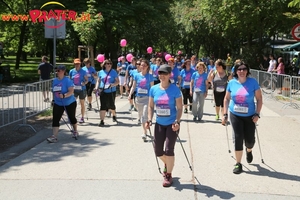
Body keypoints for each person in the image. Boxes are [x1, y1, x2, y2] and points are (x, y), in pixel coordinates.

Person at [222, 62, 263, 174]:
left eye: (244, 69)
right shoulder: (231, 83)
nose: (242, 71)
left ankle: (249, 150)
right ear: (236, 71)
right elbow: (226, 99)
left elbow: (259, 99)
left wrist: (257, 113)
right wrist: (225, 114)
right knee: (238, 137)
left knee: (250, 141)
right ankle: (238, 163)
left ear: (247, 71)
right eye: (239, 69)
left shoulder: (253, 82)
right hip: (235, 115)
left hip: (250, 115)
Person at [146, 64, 183, 187]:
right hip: (159, 124)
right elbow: (151, 106)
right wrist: (149, 119)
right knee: (157, 151)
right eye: (160, 73)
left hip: (172, 124)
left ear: (169, 75)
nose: (162, 75)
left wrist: (177, 121)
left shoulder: (175, 90)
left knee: (169, 150)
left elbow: (179, 108)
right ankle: (168, 163)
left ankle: (168, 174)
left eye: (164, 73)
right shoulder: (154, 89)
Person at [47, 65, 78, 143]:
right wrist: (53, 100)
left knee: (71, 118)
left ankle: (75, 130)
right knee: (55, 119)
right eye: (56, 71)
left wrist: (64, 95)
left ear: (63, 71)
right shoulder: (55, 81)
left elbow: (71, 91)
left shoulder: (67, 80)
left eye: (59, 71)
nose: (57, 72)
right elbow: (54, 91)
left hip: (69, 102)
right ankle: (54, 136)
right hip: (58, 103)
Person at [128, 59, 153, 141]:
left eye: (144, 65)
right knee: (141, 115)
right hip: (138, 98)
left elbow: (152, 88)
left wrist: (153, 98)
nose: (142, 67)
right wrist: (130, 94)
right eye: (141, 65)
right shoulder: (137, 75)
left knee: (144, 115)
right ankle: (146, 126)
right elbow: (134, 86)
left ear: (147, 67)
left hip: (147, 98)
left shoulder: (150, 76)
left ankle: (145, 133)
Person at [95, 59, 119, 126]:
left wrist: (113, 84)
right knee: (103, 106)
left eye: (110, 64)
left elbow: (117, 81)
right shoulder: (100, 72)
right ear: (104, 65)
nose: (109, 65)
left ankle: (114, 115)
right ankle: (102, 121)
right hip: (103, 91)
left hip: (111, 91)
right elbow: (98, 81)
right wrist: (96, 88)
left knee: (111, 105)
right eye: (107, 64)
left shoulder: (113, 72)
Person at [69, 58, 89, 123]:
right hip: (74, 90)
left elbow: (87, 80)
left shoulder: (83, 71)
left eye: (78, 64)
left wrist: (84, 83)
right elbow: (69, 80)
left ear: (80, 64)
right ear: (74, 64)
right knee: (73, 104)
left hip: (82, 90)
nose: (77, 65)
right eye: (76, 64)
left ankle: (82, 117)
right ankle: (73, 117)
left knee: (82, 104)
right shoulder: (71, 71)